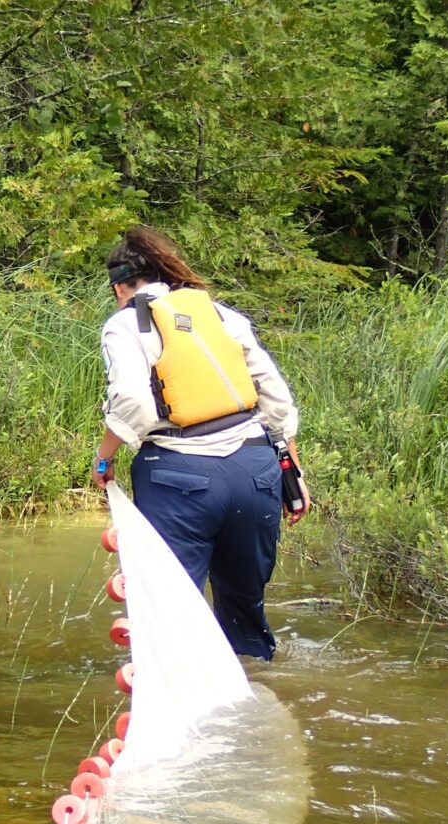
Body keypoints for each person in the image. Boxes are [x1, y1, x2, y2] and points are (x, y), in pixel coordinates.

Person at [91, 225, 310, 660]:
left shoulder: (125, 324)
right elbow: (276, 398)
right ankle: (255, 686)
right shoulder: (221, 315)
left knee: (172, 611)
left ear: (120, 288)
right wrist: (293, 473)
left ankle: (181, 703)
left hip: (179, 478)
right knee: (246, 611)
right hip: (256, 472)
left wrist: (104, 457)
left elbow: (133, 400)